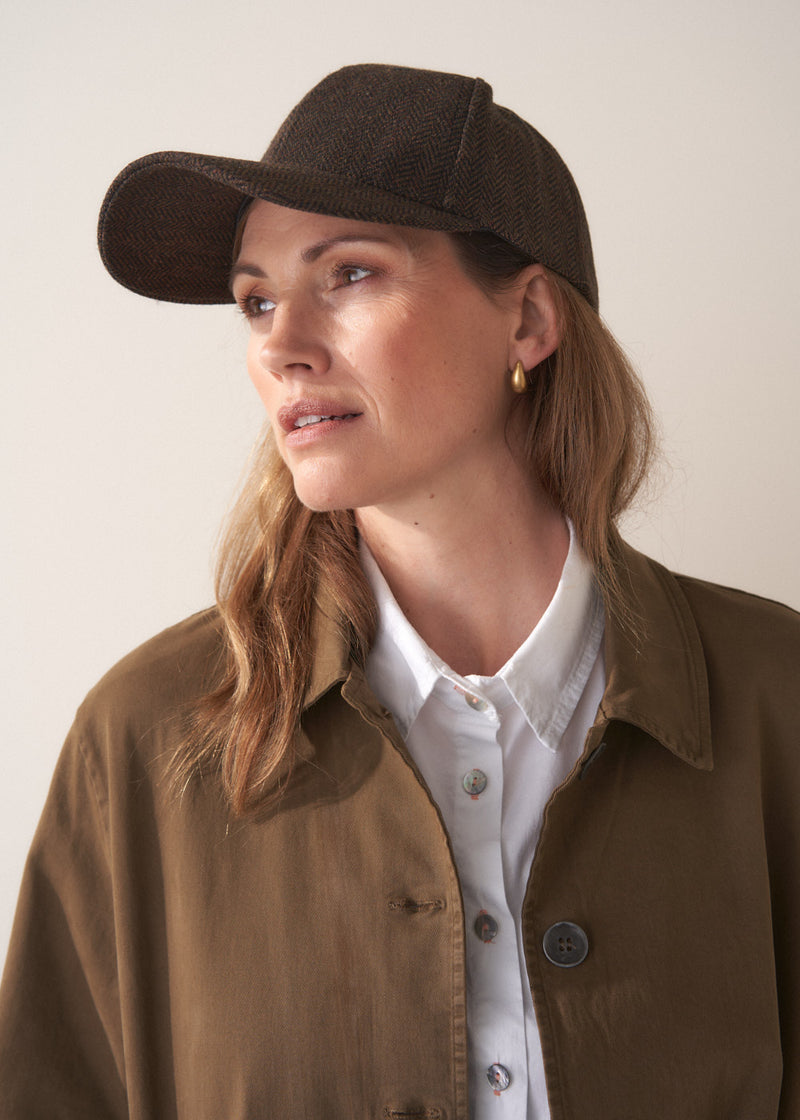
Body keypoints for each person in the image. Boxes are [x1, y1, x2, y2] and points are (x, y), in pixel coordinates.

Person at [0, 63, 797, 1120]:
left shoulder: (772, 694)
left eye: (350, 275)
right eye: (257, 299)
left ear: (527, 322)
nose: (280, 347)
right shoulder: (147, 741)